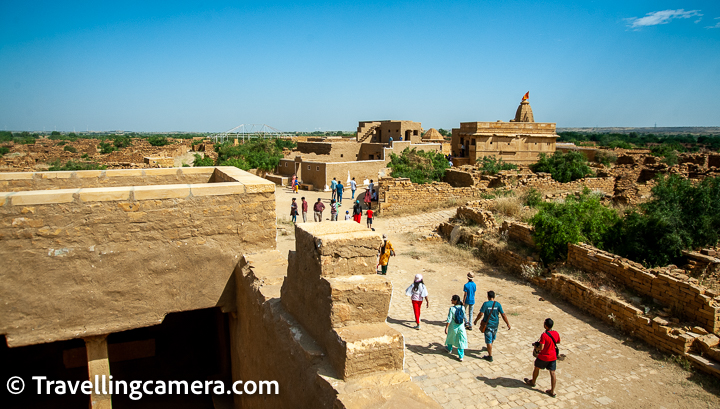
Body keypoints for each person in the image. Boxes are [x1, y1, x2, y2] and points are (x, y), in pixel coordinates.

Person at [524, 318, 561, 398]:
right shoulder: (556, 333)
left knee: (537, 368)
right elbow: (557, 341)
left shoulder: (544, 335)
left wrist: (536, 347)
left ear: (545, 326)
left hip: (544, 356)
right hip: (553, 356)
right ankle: (552, 391)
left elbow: (541, 347)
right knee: (552, 372)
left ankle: (533, 382)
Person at [473, 290, 511, 362]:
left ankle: (490, 356)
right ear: (494, 296)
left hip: (488, 325)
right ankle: (489, 347)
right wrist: (507, 323)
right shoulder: (498, 304)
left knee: (488, 340)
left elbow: (481, 314)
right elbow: (503, 314)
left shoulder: (486, 304)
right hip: (495, 324)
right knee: (493, 337)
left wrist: (476, 320)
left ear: (488, 296)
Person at [444, 295, 468, 362]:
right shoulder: (462, 308)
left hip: (453, 327)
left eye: (452, 299)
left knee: (450, 337)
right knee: (461, 340)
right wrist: (467, 323)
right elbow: (465, 316)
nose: (451, 300)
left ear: (455, 301)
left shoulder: (452, 309)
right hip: (461, 326)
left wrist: (446, 327)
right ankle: (461, 356)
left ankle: (449, 349)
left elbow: (449, 319)